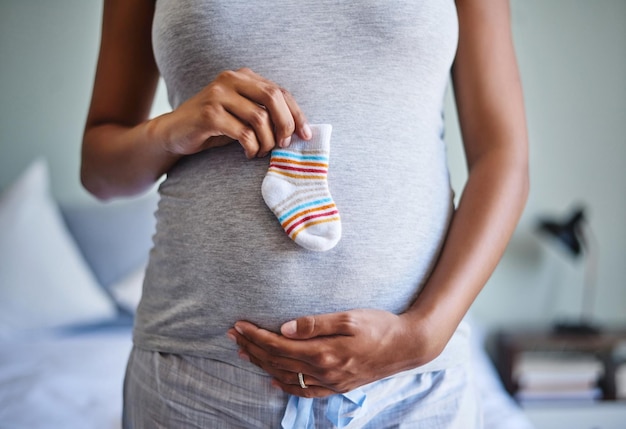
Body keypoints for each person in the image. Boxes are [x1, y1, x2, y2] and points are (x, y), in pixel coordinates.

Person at [82, 0, 528, 427]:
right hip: (197, 382)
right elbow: (99, 171)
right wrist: (172, 130)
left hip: (411, 388)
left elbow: (503, 156)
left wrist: (424, 335)